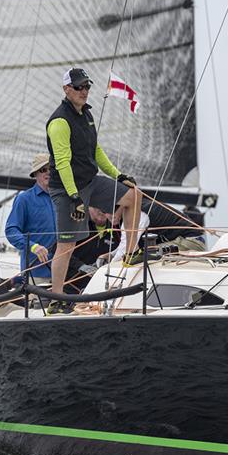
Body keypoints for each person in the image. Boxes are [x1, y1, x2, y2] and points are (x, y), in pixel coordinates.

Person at [45, 67, 141, 314]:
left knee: (133, 195)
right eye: (79, 87)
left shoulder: (86, 115)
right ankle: (56, 298)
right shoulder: (59, 122)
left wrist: (118, 175)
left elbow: (96, 152)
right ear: (67, 89)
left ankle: (130, 253)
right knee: (67, 244)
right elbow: (62, 162)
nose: (84, 91)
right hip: (67, 188)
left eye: (87, 87)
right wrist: (75, 197)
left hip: (89, 181)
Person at [5, 153, 56, 284]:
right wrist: (33, 246)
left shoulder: (62, 199)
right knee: (36, 305)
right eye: (43, 170)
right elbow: (11, 231)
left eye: (51, 168)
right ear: (35, 174)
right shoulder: (24, 199)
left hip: (63, 273)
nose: (48, 172)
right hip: (36, 274)